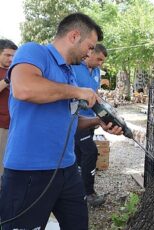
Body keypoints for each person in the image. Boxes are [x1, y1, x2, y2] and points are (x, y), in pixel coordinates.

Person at [0, 13, 122, 230]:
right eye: (90, 46)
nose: (90, 52)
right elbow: (24, 88)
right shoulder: (34, 51)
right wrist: (78, 92)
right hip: (29, 172)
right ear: (74, 36)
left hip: (67, 170)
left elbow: (69, 122)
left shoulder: (70, 74)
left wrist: (97, 121)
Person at [71, 44, 107, 206]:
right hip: (75, 120)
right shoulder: (74, 67)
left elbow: (96, 95)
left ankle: (76, 191)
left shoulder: (97, 72)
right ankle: (89, 193)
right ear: (90, 53)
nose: (100, 63)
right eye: (99, 59)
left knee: (79, 155)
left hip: (91, 120)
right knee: (90, 152)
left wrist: (103, 113)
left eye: (103, 61)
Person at [0, 39, 17, 184]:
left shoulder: (16, 70)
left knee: (11, 164)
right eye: (7, 55)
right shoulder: (8, 74)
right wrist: (7, 79)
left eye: (13, 56)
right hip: (1, 126)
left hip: (15, 125)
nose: (11, 59)